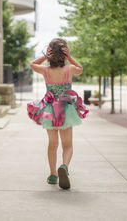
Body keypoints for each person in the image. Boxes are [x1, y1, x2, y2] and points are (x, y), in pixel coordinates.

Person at [27, 38, 89, 190]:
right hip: (66, 109)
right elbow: (80, 68)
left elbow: (32, 64)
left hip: (49, 110)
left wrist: (45, 56)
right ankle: (65, 167)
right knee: (67, 145)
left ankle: (53, 174)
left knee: (52, 144)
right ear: (64, 53)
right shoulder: (70, 69)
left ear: (50, 54)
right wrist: (70, 58)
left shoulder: (46, 71)